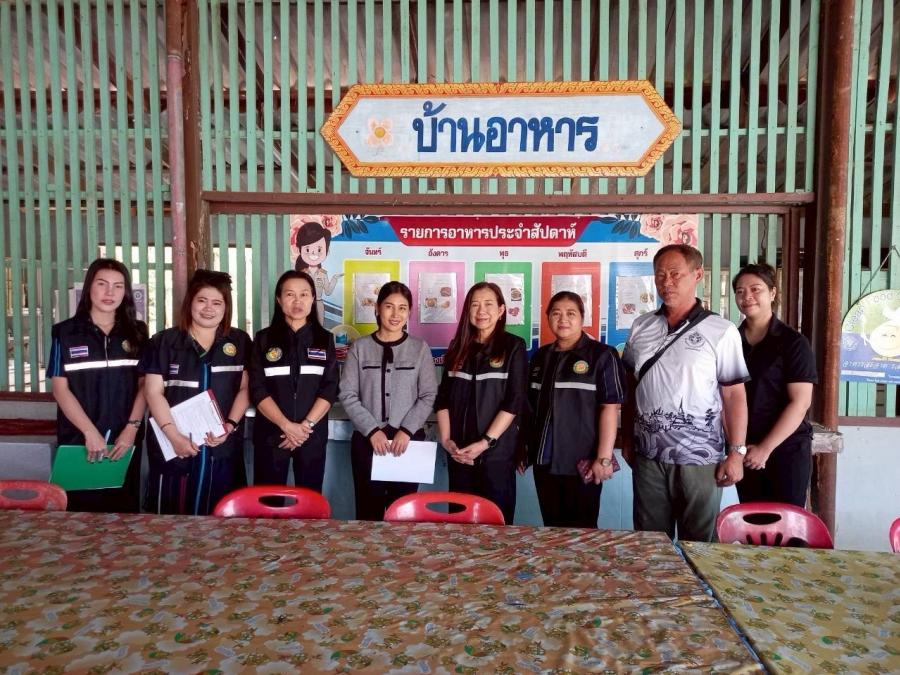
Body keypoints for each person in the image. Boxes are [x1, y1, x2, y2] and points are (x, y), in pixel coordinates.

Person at [622, 244, 749, 542]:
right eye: (660, 275)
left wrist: (736, 453)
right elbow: (630, 388)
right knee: (650, 543)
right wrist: (627, 439)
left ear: (697, 275)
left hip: (701, 459)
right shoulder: (641, 326)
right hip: (648, 456)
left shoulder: (721, 330)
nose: (666, 282)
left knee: (701, 545)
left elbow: (734, 396)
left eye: (675, 274)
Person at [140, 269, 251, 515]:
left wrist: (229, 426)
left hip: (221, 448)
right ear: (190, 302)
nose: (209, 308)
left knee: (222, 519)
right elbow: (153, 392)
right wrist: (174, 437)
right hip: (175, 448)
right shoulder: (164, 342)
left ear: (226, 307)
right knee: (172, 519)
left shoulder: (239, 342)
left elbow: (245, 388)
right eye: (202, 300)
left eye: (217, 303)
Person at [47, 258, 148, 512]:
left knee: (123, 512)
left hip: (124, 439)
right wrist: (89, 432)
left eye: (118, 286)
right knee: (79, 513)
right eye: (102, 284)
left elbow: (145, 385)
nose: (109, 292)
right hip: (79, 439)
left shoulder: (137, 332)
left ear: (125, 292)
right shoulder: (65, 333)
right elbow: (60, 389)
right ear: (89, 287)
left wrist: (132, 428)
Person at [525, 291, 626, 528]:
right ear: (548, 317)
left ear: (582, 318)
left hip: (583, 462)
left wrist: (603, 458)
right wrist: (524, 448)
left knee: (583, 532)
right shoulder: (540, 357)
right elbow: (529, 408)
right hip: (544, 461)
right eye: (556, 313)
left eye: (571, 313)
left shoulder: (602, 355)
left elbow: (610, 408)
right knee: (551, 528)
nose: (563, 319)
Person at [339, 281, 438, 520]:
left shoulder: (419, 348)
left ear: (409, 312)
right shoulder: (359, 348)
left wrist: (406, 430)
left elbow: (428, 394)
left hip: (408, 443)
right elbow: (347, 394)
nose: (395, 314)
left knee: (403, 515)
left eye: (402, 308)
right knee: (368, 514)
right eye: (389, 306)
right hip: (368, 442)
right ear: (377, 309)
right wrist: (372, 431)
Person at [435, 282, 528, 525]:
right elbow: (443, 399)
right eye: (475, 305)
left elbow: (514, 401)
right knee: (460, 524)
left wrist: (485, 443)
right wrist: (447, 440)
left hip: (497, 454)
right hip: (460, 453)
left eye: (488, 304)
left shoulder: (513, 346)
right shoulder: (457, 347)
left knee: (497, 524)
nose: (481, 311)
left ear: (501, 310)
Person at [732, 263, 817, 507]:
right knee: (751, 521)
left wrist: (765, 448)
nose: (747, 296)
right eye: (740, 291)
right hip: (746, 449)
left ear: (772, 293)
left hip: (785, 449)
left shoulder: (793, 343)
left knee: (785, 523)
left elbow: (800, 403)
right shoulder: (731, 341)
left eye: (755, 289)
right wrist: (738, 449)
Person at [249, 270, 338, 490]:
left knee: (310, 500)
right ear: (279, 300)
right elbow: (257, 388)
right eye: (290, 294)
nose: (297, 301)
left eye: (304, 294)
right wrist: (287, 426)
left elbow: (330, 388)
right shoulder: (263, 339)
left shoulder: (324, 339)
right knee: (267, 500)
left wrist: (304, 427)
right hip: (272, 435)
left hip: (311, 436)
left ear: (313, 299)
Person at [294, 220, 342, 323]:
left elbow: (328, 292)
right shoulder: (301, 274)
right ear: (299, 250)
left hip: (319, 304)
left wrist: (334, 279)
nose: (313, 254)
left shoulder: (322, 274)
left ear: (327, 251)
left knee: (319, 329)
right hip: (304, 305)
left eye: (319, 250)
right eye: (307, 250)